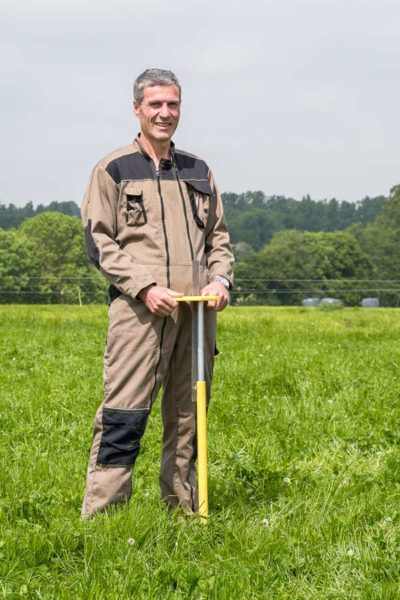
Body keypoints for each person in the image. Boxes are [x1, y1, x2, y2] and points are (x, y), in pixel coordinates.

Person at [80, 68, 234, 517]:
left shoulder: (199, 170)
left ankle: (184, 511)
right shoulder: (113, 169)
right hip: (139, 313)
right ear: (137, 109)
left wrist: (220, 281)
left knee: (188, 417)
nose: (165, 113)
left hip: (197, 314)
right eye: (155, 105)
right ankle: (105, 517)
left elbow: (219, 237)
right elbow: (99, 241)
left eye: (173, 105)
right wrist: (145, 287)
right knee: (124, 414)